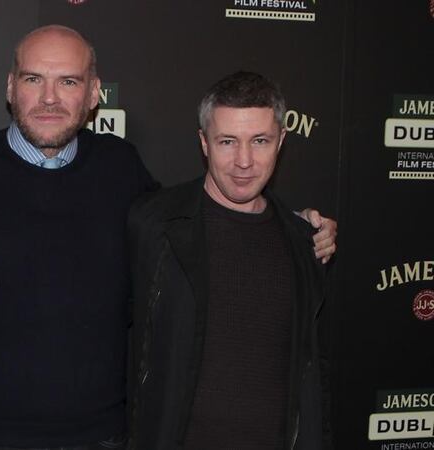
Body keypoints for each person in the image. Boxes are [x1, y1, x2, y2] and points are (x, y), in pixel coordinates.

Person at [0, 27, 336, 449]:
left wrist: (295, 224)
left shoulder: (121, 168)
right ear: (11, 87)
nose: (49, 98)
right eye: (34, 79)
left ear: (94, 93)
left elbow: (202, 217)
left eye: (68, 81)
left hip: (103, 436)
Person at [128, 71, 330, 449]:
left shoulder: (305, 243)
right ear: (204, 143)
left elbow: (312, 377)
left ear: (281, 141)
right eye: (227, 141)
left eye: (260, 141)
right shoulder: (154, 225)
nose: (244, 161)